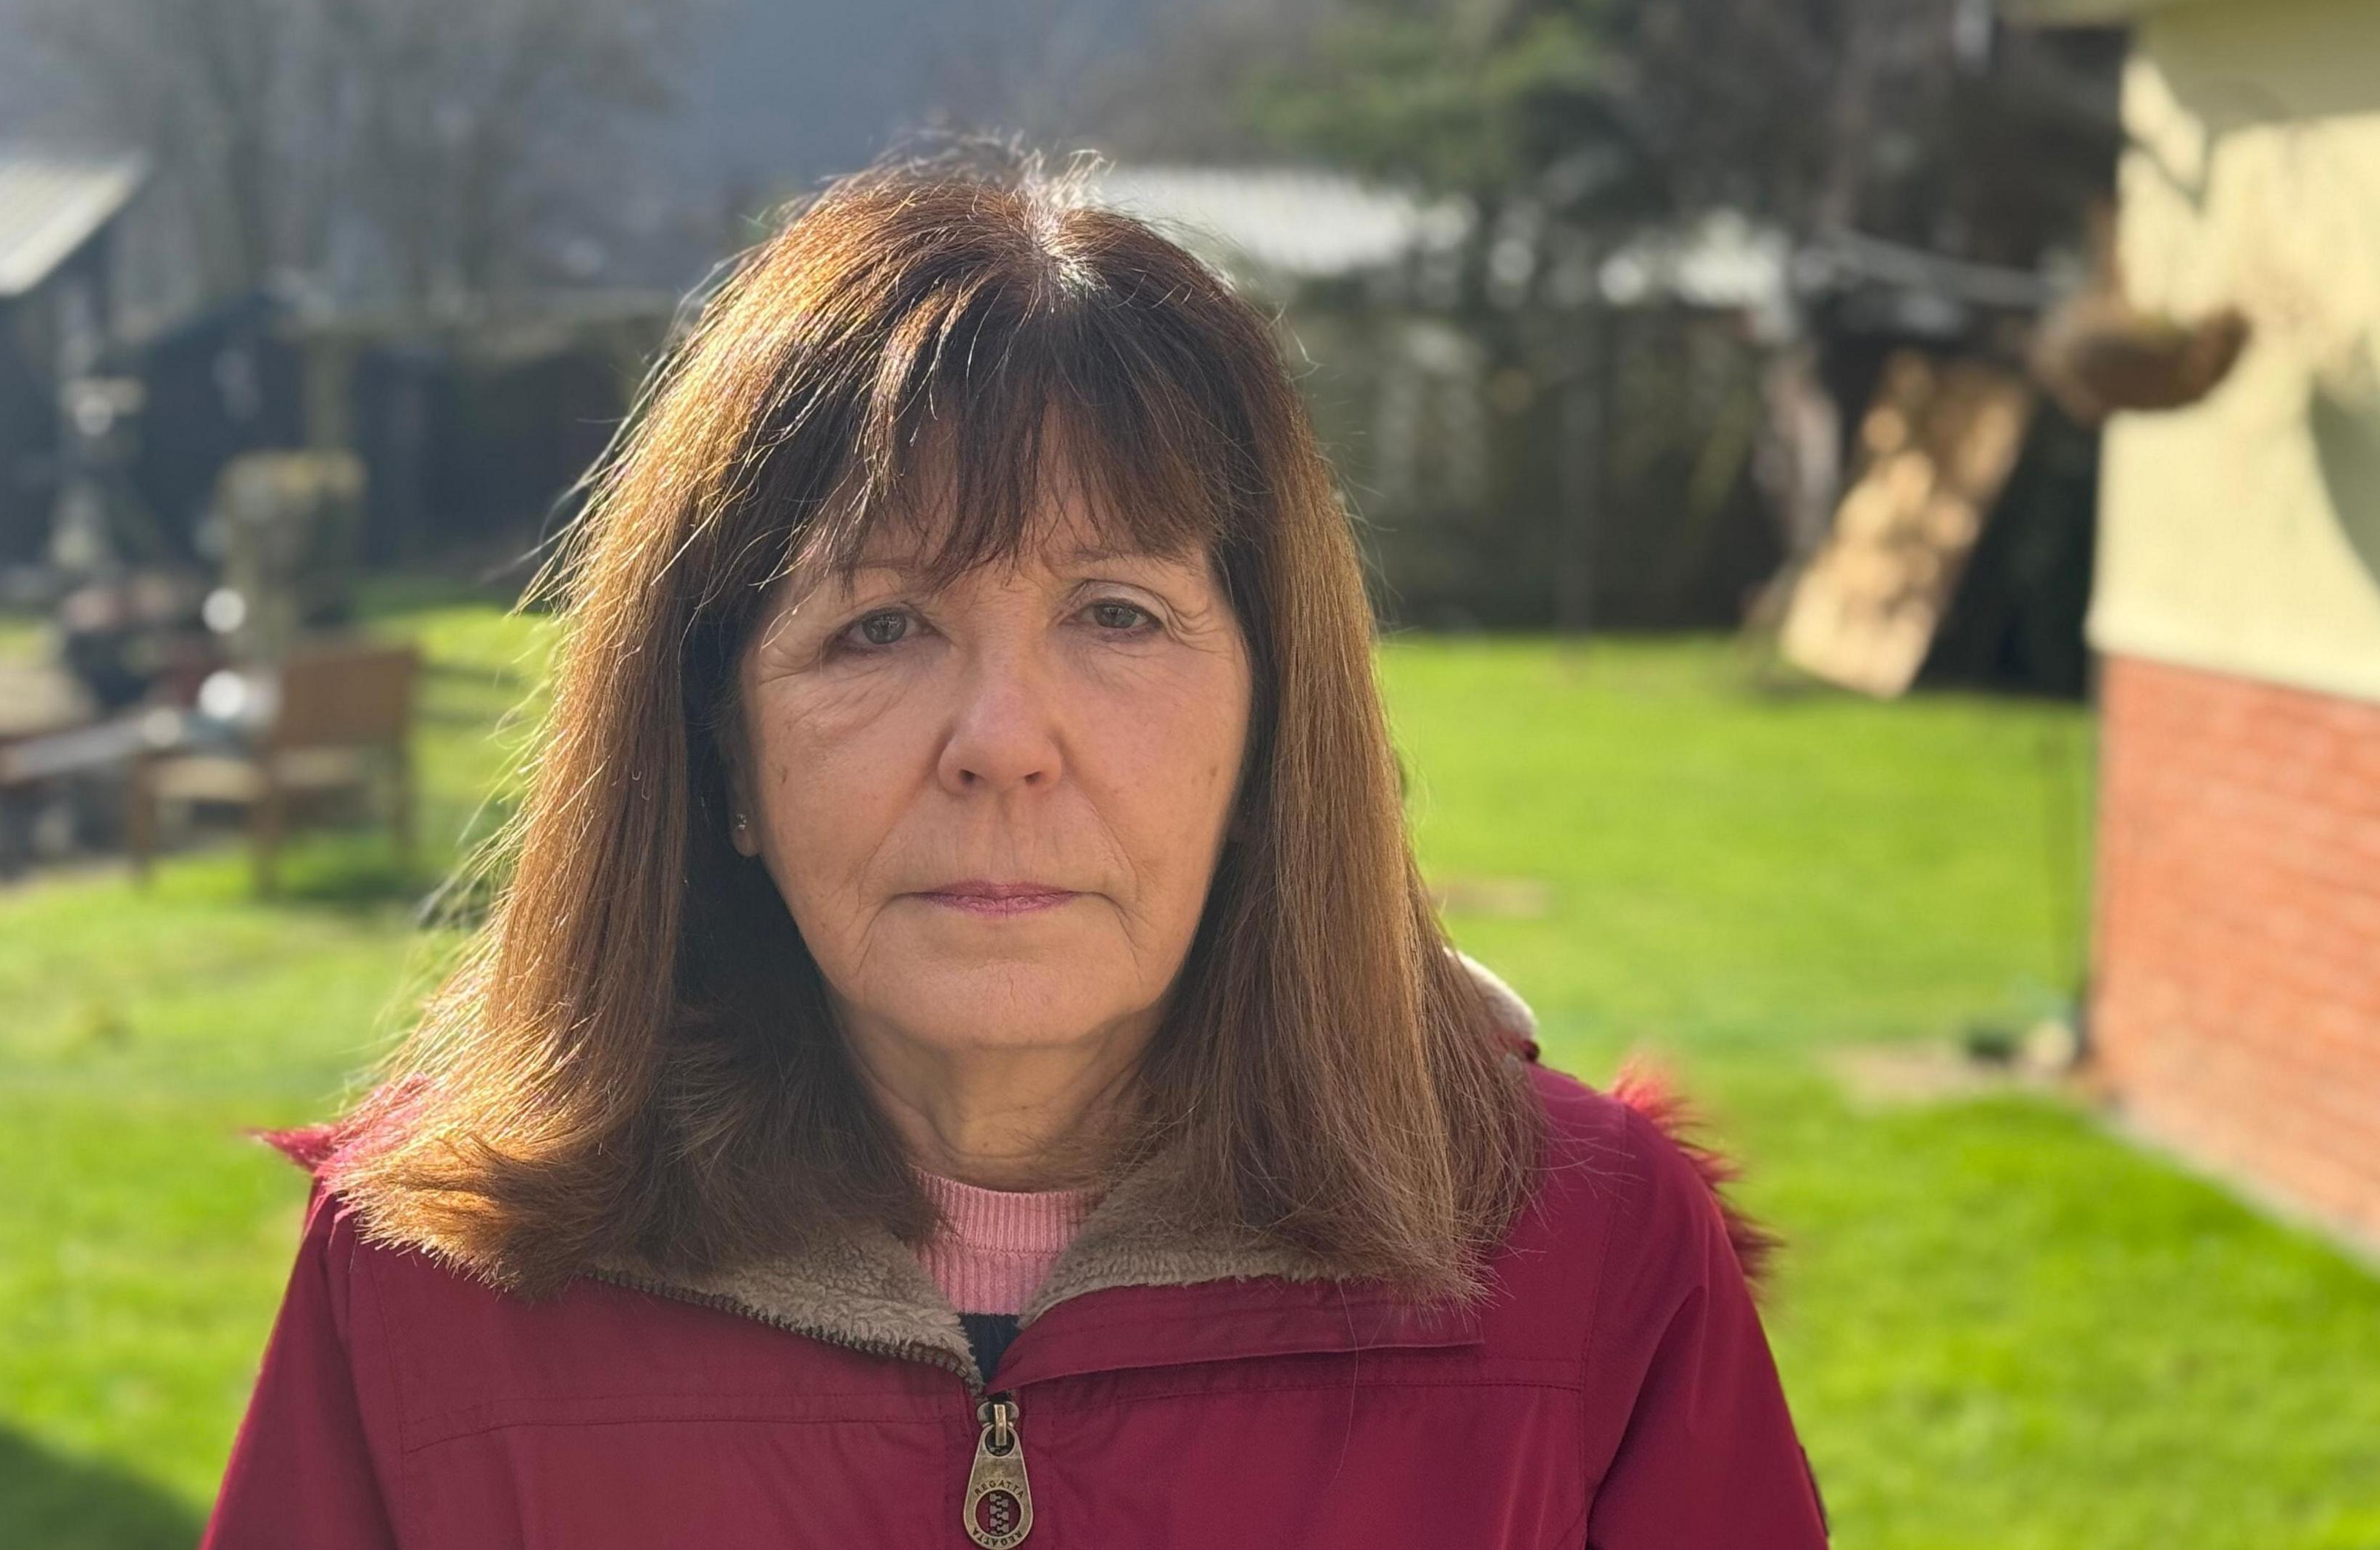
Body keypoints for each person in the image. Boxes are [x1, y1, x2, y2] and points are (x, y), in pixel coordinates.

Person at [201, 149, 1831, 1549]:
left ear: (1273, 733)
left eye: (1117, 616)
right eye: (881, 625)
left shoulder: (1594, 1265)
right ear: (720, 751)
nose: (1001, 739)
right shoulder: (430, 1281)